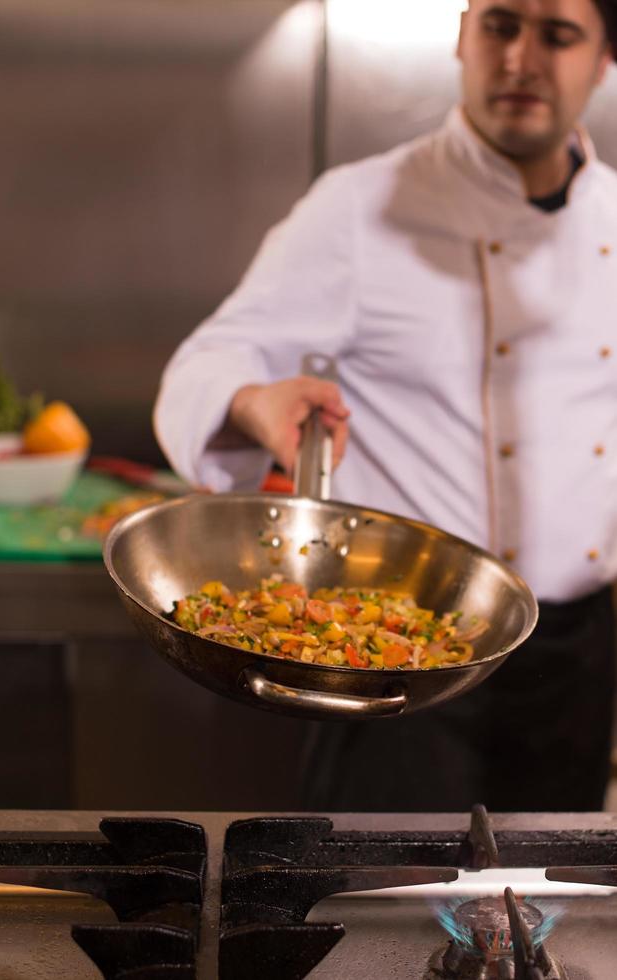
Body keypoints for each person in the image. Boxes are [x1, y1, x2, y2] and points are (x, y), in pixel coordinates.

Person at [154, 0, 617, 812]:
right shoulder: (360, 207)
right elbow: (208, 360)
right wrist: (256, 402)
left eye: (557, 34)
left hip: (574, 660)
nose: (520, 59)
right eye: (500, 26)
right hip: (397, 659)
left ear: (603, 57)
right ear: (462, 34)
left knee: (547, 917)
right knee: (378, 920)